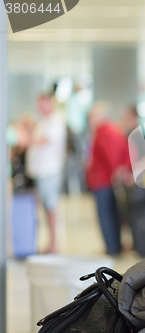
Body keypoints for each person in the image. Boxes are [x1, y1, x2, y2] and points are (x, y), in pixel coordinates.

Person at [86, 102, 130, 255]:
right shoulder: (111, 130)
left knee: (106, 215)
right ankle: (113, 246)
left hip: (103, 180)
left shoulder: (105, 132)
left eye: (92, 115)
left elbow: (111, 156)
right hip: (105, 179)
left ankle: (112, 247)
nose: (90, 119)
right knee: (111, 214)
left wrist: (116, 173)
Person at [25, 94, 67, 253]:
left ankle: (54, 244)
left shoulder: (55, 121)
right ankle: (50, 242)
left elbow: (42, 141)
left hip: (49, 171)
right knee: (45, 208)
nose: (38, 107)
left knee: (51, 207)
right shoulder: (43, 121)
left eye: (41, 104)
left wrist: (24, 138)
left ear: (49, 104)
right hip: (40, 172)